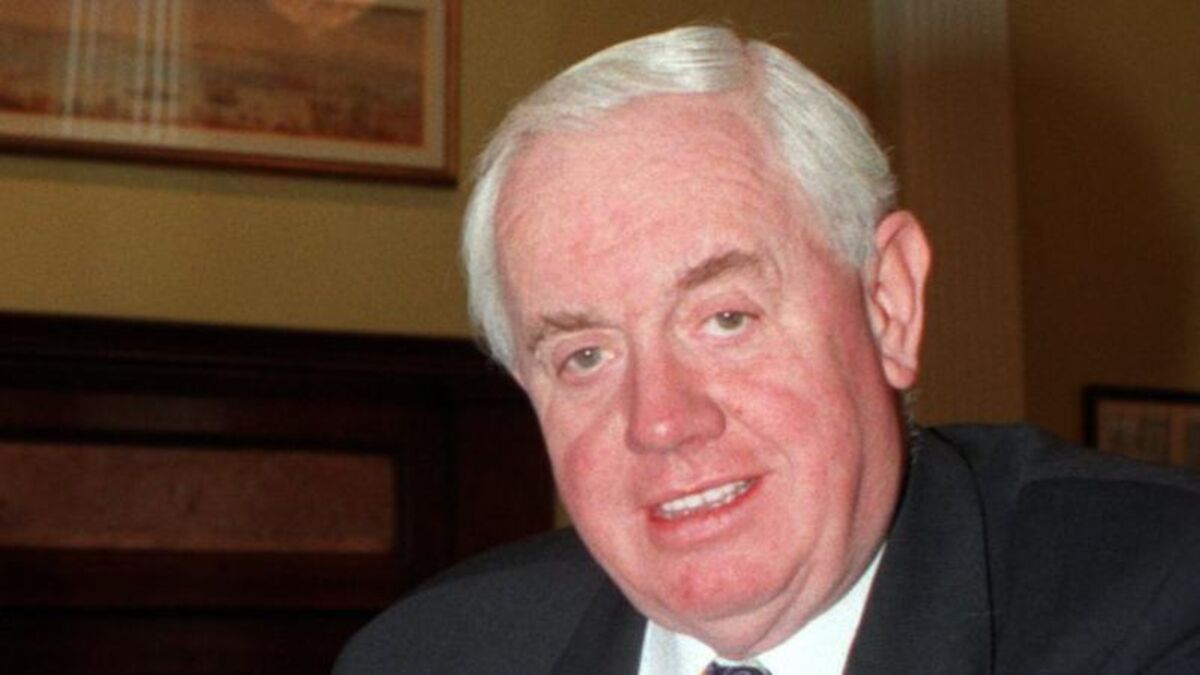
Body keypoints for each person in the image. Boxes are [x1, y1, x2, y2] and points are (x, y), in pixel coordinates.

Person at [335, 26, 1200, 674]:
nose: (660, 422)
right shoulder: (426, 655)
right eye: (585, 356)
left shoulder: (1162, 602)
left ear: (889, 303)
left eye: (726, 318)